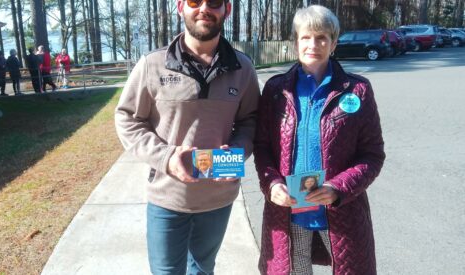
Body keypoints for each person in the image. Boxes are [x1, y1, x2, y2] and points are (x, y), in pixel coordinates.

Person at [114, 0, 260, 272]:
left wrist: (238, 151)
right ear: (180, 6)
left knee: (203, 269)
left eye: (214, 2)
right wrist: (167, 158)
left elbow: (250, 120)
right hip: (168, 197)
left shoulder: (244, 68)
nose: (204, 8)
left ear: (226, 9)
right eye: (194, 1)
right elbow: (127, 118)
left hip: (218, 199)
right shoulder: (153, 64)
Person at [253, 5, 385, 275]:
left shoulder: (357, 90)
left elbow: (372, 155)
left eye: (322, 37)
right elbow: (263, 147)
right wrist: (272, 183)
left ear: (334, 43)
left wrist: (339, 188)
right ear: (295, 42)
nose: (313, 44)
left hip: (340, 210)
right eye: (306, 37)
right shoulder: (276, 90)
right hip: (289, 212)